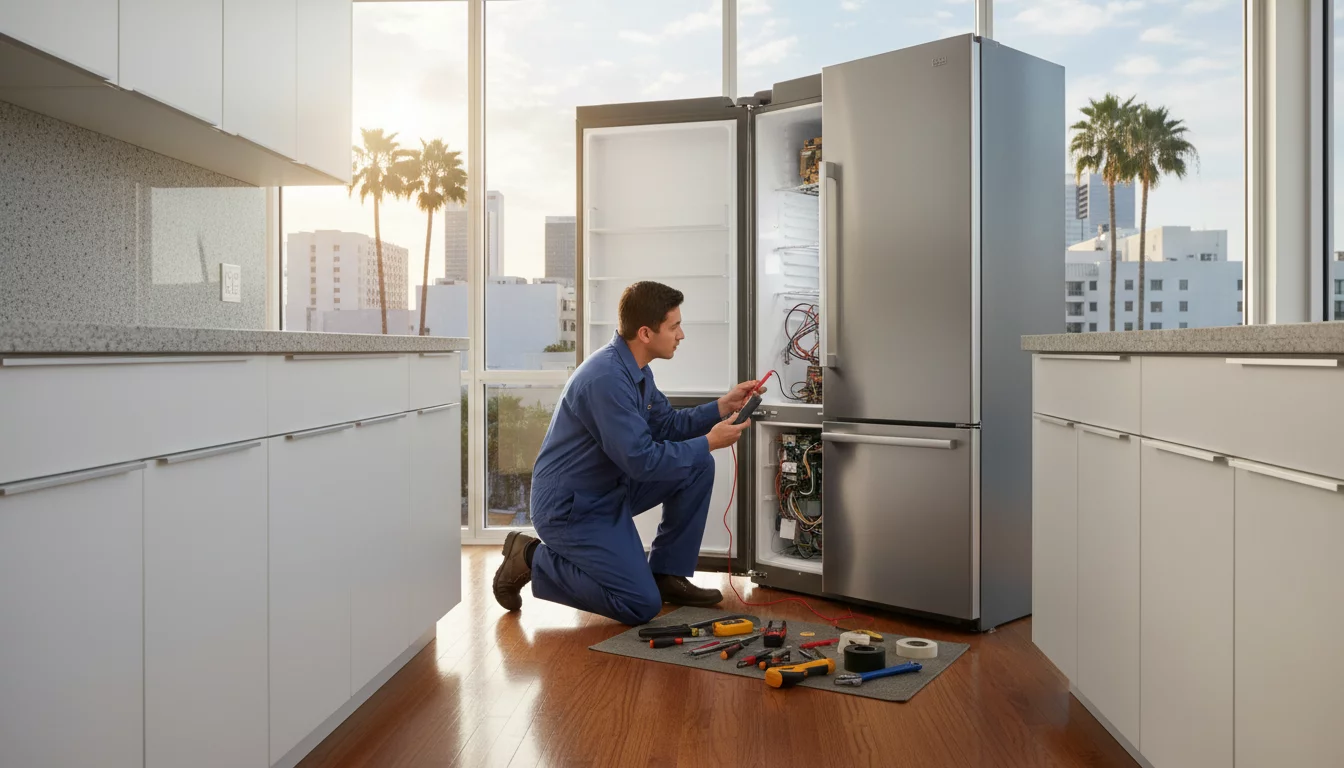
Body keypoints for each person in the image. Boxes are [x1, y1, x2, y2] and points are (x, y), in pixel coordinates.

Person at [492, 281, 760, 625]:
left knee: (697, 465)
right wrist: (709, 441)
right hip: (571, 509)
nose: (681, 335)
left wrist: (722, 406)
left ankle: (667, 575)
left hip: (609, 490)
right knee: (639, 605)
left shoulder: (636, 369)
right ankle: (530, 557)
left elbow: (668, 425)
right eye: (674, 327)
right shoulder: (606, 379)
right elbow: (643, 462)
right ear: (645, 333)